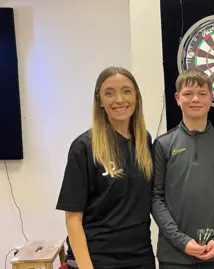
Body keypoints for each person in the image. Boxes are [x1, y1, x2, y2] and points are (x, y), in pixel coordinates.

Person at [55, 67, 155, 269]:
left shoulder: (144, 142)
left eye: (126, 91)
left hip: (141, 256)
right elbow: (73, 219)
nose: (119, 99)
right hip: (97, 259)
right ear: (100, 100)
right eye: (109, 93)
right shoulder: (84, 147)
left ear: (136, 96)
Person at [151, 68, 214, 269]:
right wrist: (181, 240)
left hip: (213, 250)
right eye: (188, 94)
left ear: (211, 98)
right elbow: (156, 197)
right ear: (177, 98)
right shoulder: (163, 144)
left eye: (202, 94)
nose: (195, 99)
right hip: (173, 254)